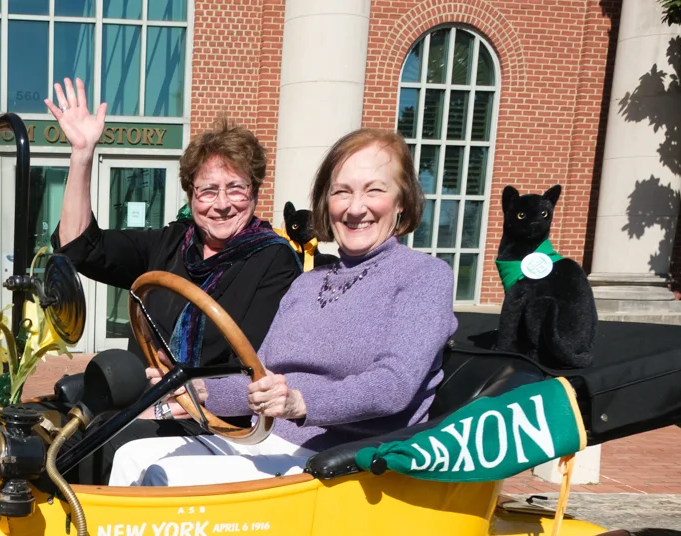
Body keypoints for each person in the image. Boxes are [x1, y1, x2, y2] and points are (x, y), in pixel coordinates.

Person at [109, 128, 457, 487]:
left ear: (402, 201)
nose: (355, 208)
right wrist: (198, 391)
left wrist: (300, 403)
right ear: (326, 202)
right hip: (267, 443)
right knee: (130, 456)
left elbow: (393, 386)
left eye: (374, 190)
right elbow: (260, 381)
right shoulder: (307, 283)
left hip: (342, 462)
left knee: (163, 475)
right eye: (341, 191)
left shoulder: (424, 276)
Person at [46, 81, 301, 428]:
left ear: (254, 193)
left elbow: (254, 367)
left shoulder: (273, 259)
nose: (222, 204)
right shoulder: (172, 242)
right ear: (191, 196)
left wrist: (167, 403)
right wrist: (82, 154)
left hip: (214, 424)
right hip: (141, 405)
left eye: (236, 189)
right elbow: (79, 248)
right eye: (208, 190)